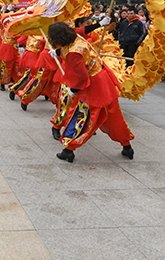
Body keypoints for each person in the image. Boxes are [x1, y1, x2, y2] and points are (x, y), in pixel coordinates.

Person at [46, 21, 134, 163]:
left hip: (93, 87)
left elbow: (82, 77)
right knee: (114, 116)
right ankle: (127, 146)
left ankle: (69, 149)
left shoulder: (73, 54)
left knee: (82, 116)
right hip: (104, 82)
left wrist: (73, 89)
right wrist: (57, 52)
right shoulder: (76, 39)